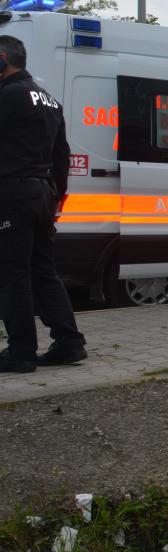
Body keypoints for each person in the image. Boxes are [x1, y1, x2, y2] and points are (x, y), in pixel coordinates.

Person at [0, 35, 87, 372]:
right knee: (43, 272)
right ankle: (69, 342)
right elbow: (61, 157)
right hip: (42, 195)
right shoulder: (48, 100)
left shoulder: (8, 95)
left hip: (12, 192)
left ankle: (20, 351)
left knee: (12, 274)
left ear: (3, 58)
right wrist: (56, 199)